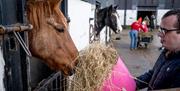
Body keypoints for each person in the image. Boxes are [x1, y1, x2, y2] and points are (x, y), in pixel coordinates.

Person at [135, 9, 180, 90]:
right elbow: (153, 74)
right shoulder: (166, 51)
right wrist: (132, 83)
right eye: (160, 29)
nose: (159, 34)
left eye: (164, 30)